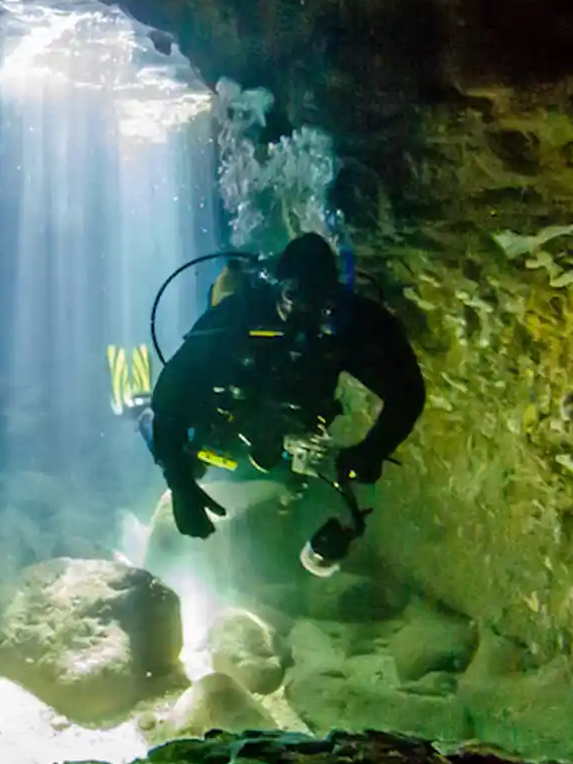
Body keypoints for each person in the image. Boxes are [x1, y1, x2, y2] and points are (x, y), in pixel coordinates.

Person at [145, 232, 425, 570]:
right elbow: (169, 397)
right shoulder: (239, 315)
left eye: (318, 301)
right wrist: (179, 483)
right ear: (277, 287)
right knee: (177, 441)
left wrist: (372, 449)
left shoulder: (352, 323)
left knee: (292, 477)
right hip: (231, 421)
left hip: (289, 433)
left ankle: (286, 500)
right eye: (294, 295)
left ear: (332, 297)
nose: (303, 312)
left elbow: (407, 391)